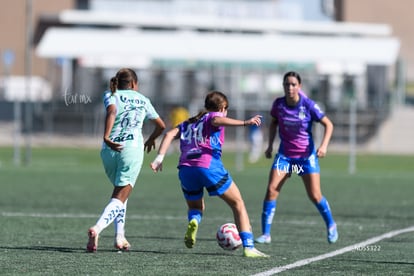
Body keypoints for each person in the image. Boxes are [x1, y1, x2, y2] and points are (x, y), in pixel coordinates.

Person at [150, 91, 269, 258]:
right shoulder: (213, 117)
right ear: (221, 108)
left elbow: (169, 134)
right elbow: (216, 119)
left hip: (185, 169)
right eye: (225, 110)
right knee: (238, 204)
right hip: (208, 166)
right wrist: (245, 122)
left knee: (196, 207)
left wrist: (159, 158)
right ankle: (249, 247)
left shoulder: (189, 122)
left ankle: (194, 221)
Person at [87, 68, 166, 252]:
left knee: (121, 194)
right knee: (120, 195)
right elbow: (161, 126)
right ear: (133, 84)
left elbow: (112, 112)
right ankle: (97, 229)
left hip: (109, 150)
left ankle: (120, 237)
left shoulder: (110, 94)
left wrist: (107, 136)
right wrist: (152, 138)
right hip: (131, 150)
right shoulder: (143, 99)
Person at [255, 71, 338, 244]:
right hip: (285, 157)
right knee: (271, 191)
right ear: (283, 86)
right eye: (287, 84)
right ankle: (266, 234)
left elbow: (328, 124)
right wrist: (270, 145)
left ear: (299, 87)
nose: (290, 87)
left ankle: (331, 224)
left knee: (315, 196)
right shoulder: (278, 104)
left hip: (306, 158)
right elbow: (273, 123)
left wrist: (323, 146)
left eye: (293, 84)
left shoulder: (308, 105)